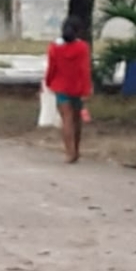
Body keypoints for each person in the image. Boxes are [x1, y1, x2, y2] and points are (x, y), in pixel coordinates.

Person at [44, 16, 92, 163]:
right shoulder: (83, 47)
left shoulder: (54, 47)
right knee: (77, 120)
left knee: (66, 120)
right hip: (78, 87)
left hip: (61, 87)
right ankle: (76, 150)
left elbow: (51, 67)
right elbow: (84, 69)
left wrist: (48, 82)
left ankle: (69, 152)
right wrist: (87, 89)